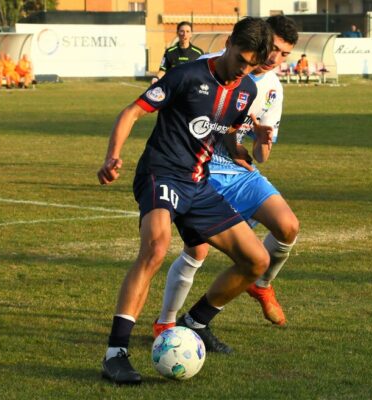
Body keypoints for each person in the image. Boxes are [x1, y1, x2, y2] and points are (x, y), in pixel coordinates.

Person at [98, 17, 273, 385]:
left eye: (251, 64)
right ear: (229, 43)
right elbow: (131, 112)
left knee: (256, 259)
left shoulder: (246, 91)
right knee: (156, 248)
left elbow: (223, 134)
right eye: (241, 59)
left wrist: (252, 143)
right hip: (161, 173)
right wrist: (112, 156)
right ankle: (116, 353)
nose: (243, 69)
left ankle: (193, 324)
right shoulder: (187, 76)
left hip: (199, 184)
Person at [152, 16, 299, 344]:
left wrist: (263, 139)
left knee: (288, 226)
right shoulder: (211, 67)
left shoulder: (273, 88)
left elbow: (259, 156)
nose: (274, 58)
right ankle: (166, 323)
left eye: (284, 54)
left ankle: (258, 286)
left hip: (239, 170)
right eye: (272, 48)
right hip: (202, 170)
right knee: (197, 250)